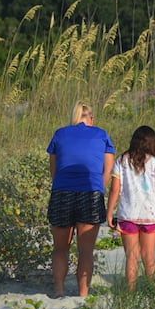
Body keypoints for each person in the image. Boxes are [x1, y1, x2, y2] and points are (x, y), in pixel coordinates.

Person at [46, 102, 115, 298]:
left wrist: (63, 185)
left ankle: (59, 290)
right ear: (90, 118)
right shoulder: (101, 134)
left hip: (62, 192)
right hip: (90, 193)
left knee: (60, 248)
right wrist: (96, 188)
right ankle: (83, 293)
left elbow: (54, 169)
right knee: (85, 250)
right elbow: (107, 171)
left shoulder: (60, 133)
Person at [105, 126, 155, 291]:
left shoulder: (121, 161)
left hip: (127, 215)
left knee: (131, 258)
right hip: (150, 216)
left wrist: (109, 212)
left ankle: (131, 291)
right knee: (149, 258)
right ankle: (152, 290)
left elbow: (115, 190)